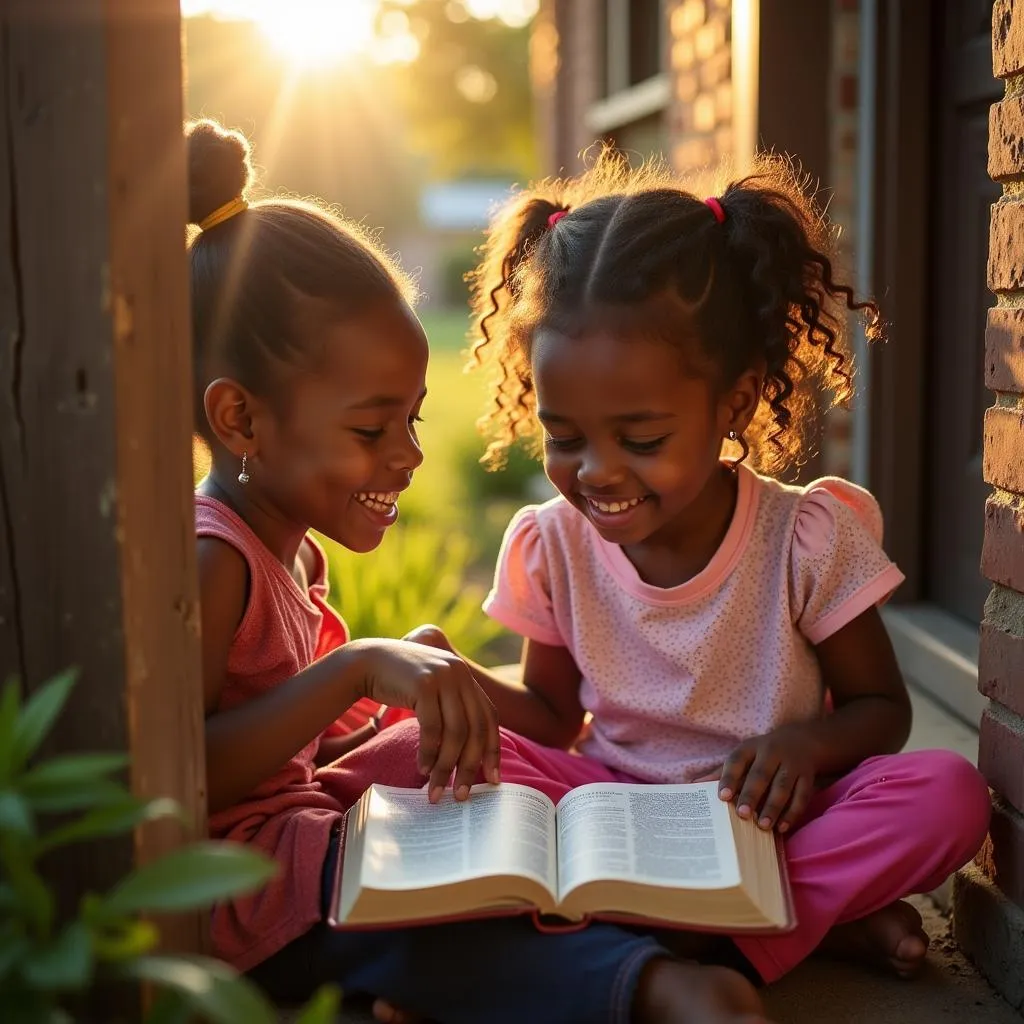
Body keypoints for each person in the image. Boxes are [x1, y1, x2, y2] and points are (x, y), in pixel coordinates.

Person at [190, 119, 772, 1024]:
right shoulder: (215, 558)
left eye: (412, 422)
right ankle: (648, 984)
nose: (408, 457)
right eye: (371, 429)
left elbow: (295, 745)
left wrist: (400, 688)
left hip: (306, 839)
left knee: (484, 775)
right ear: (241, 421)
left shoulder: (287, 545)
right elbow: (183, 779)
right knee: (425, 913)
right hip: (243, 892)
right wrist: (356, 667)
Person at [403, 148, 992, 993]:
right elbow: (549, 717)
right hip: (610, 812)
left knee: (948, 794)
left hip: (769, 820)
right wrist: (448, 678)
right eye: (564, 436)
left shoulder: (805, 538)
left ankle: (693, 947)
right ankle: (809, 921)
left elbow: (882, 711)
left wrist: (805, 745)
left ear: (736, 402)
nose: (596, 472)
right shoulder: (554, 543)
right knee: (395, 755)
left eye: (640, 440)